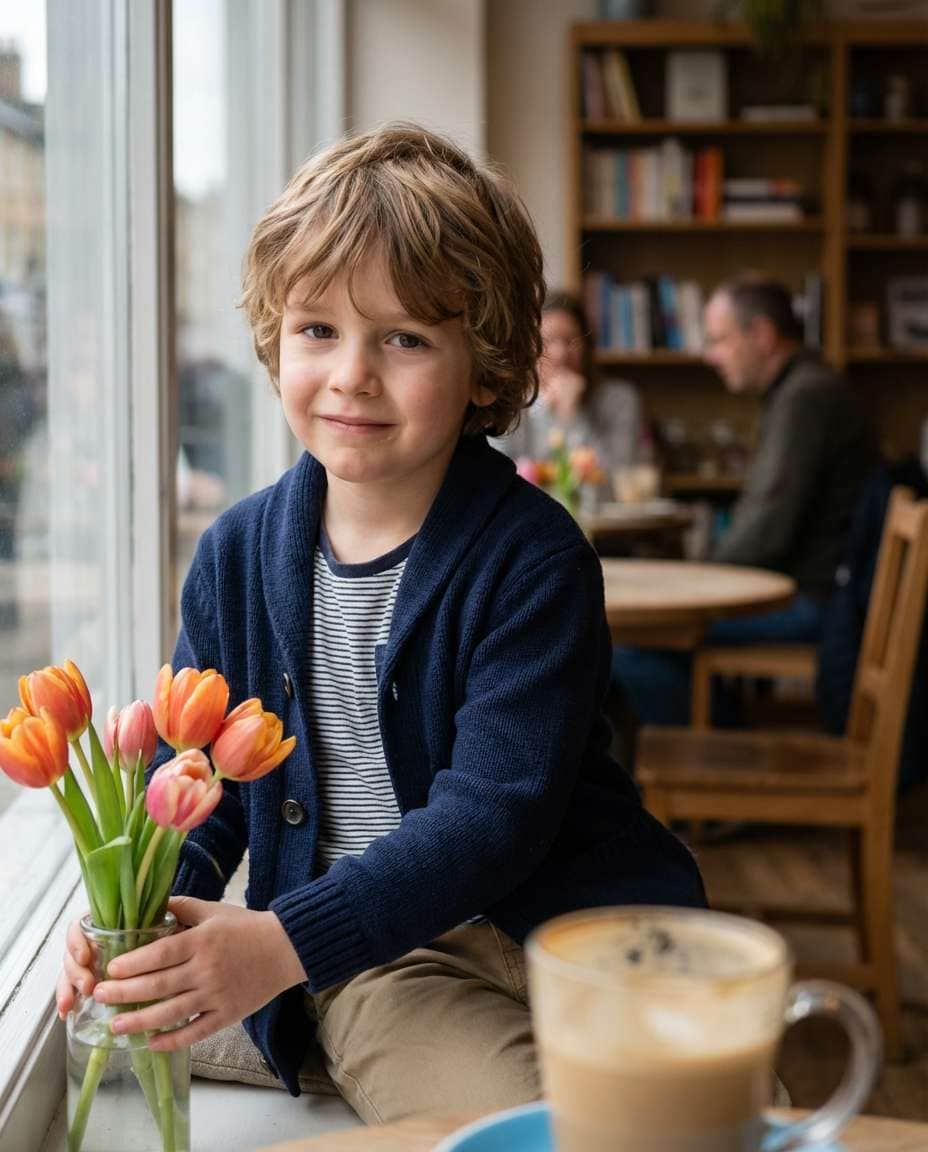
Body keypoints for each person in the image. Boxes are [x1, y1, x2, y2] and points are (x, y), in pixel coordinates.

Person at [57, 124, 705, 1122]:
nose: (352, 373)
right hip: (384, 952)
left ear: (483, 363)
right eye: (318, 330)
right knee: (542, 1131)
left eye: (403, 338)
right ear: (275, 340)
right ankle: (313, 1025)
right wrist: (130, 917)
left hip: (590, 927)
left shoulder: (534, 559)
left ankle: (291, 1019)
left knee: (717, 1111)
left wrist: (272, 949)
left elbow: (491, 819)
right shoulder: (236, 555)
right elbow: (203, 788)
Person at [612, 275, 876, 727]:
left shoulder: (805, 398)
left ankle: (711, 749)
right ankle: (711, 733)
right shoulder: (807, 387)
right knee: (634, 638)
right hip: (824, 593)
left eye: (719, 340)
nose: (710, 355)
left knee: (622, 644)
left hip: (814, 602)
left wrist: (696, 586)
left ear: (763, 335)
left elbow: (768, 525)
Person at [493, 290, 641, 497]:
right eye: (548, 341)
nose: (560, 353)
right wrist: (542, 407)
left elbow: (616, 486)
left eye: (571, 341)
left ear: (587, 347)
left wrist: (571, 416)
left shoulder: (619, 399)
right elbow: (497, 479)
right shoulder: (507, 400)